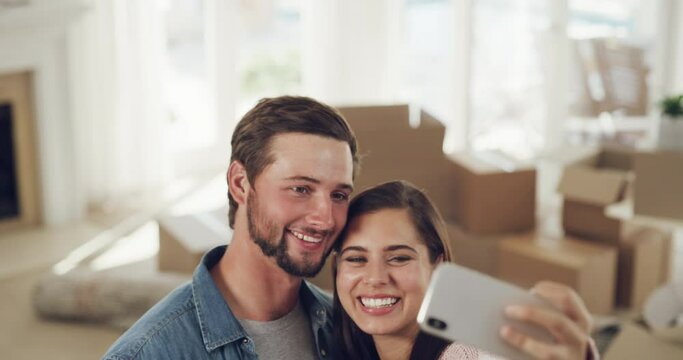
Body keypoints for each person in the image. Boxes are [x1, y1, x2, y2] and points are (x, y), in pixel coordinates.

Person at [103, 96, 359, 359]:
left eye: (338, 195)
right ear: (240, 184)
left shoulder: (348, 329)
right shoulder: (147, 353)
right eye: (300, 189)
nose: (325, 219)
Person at [332, 180, 598, 360]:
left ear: (437, 265)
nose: (375, 278)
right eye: (356, 259)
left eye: (399, 258)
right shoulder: (338, 342)